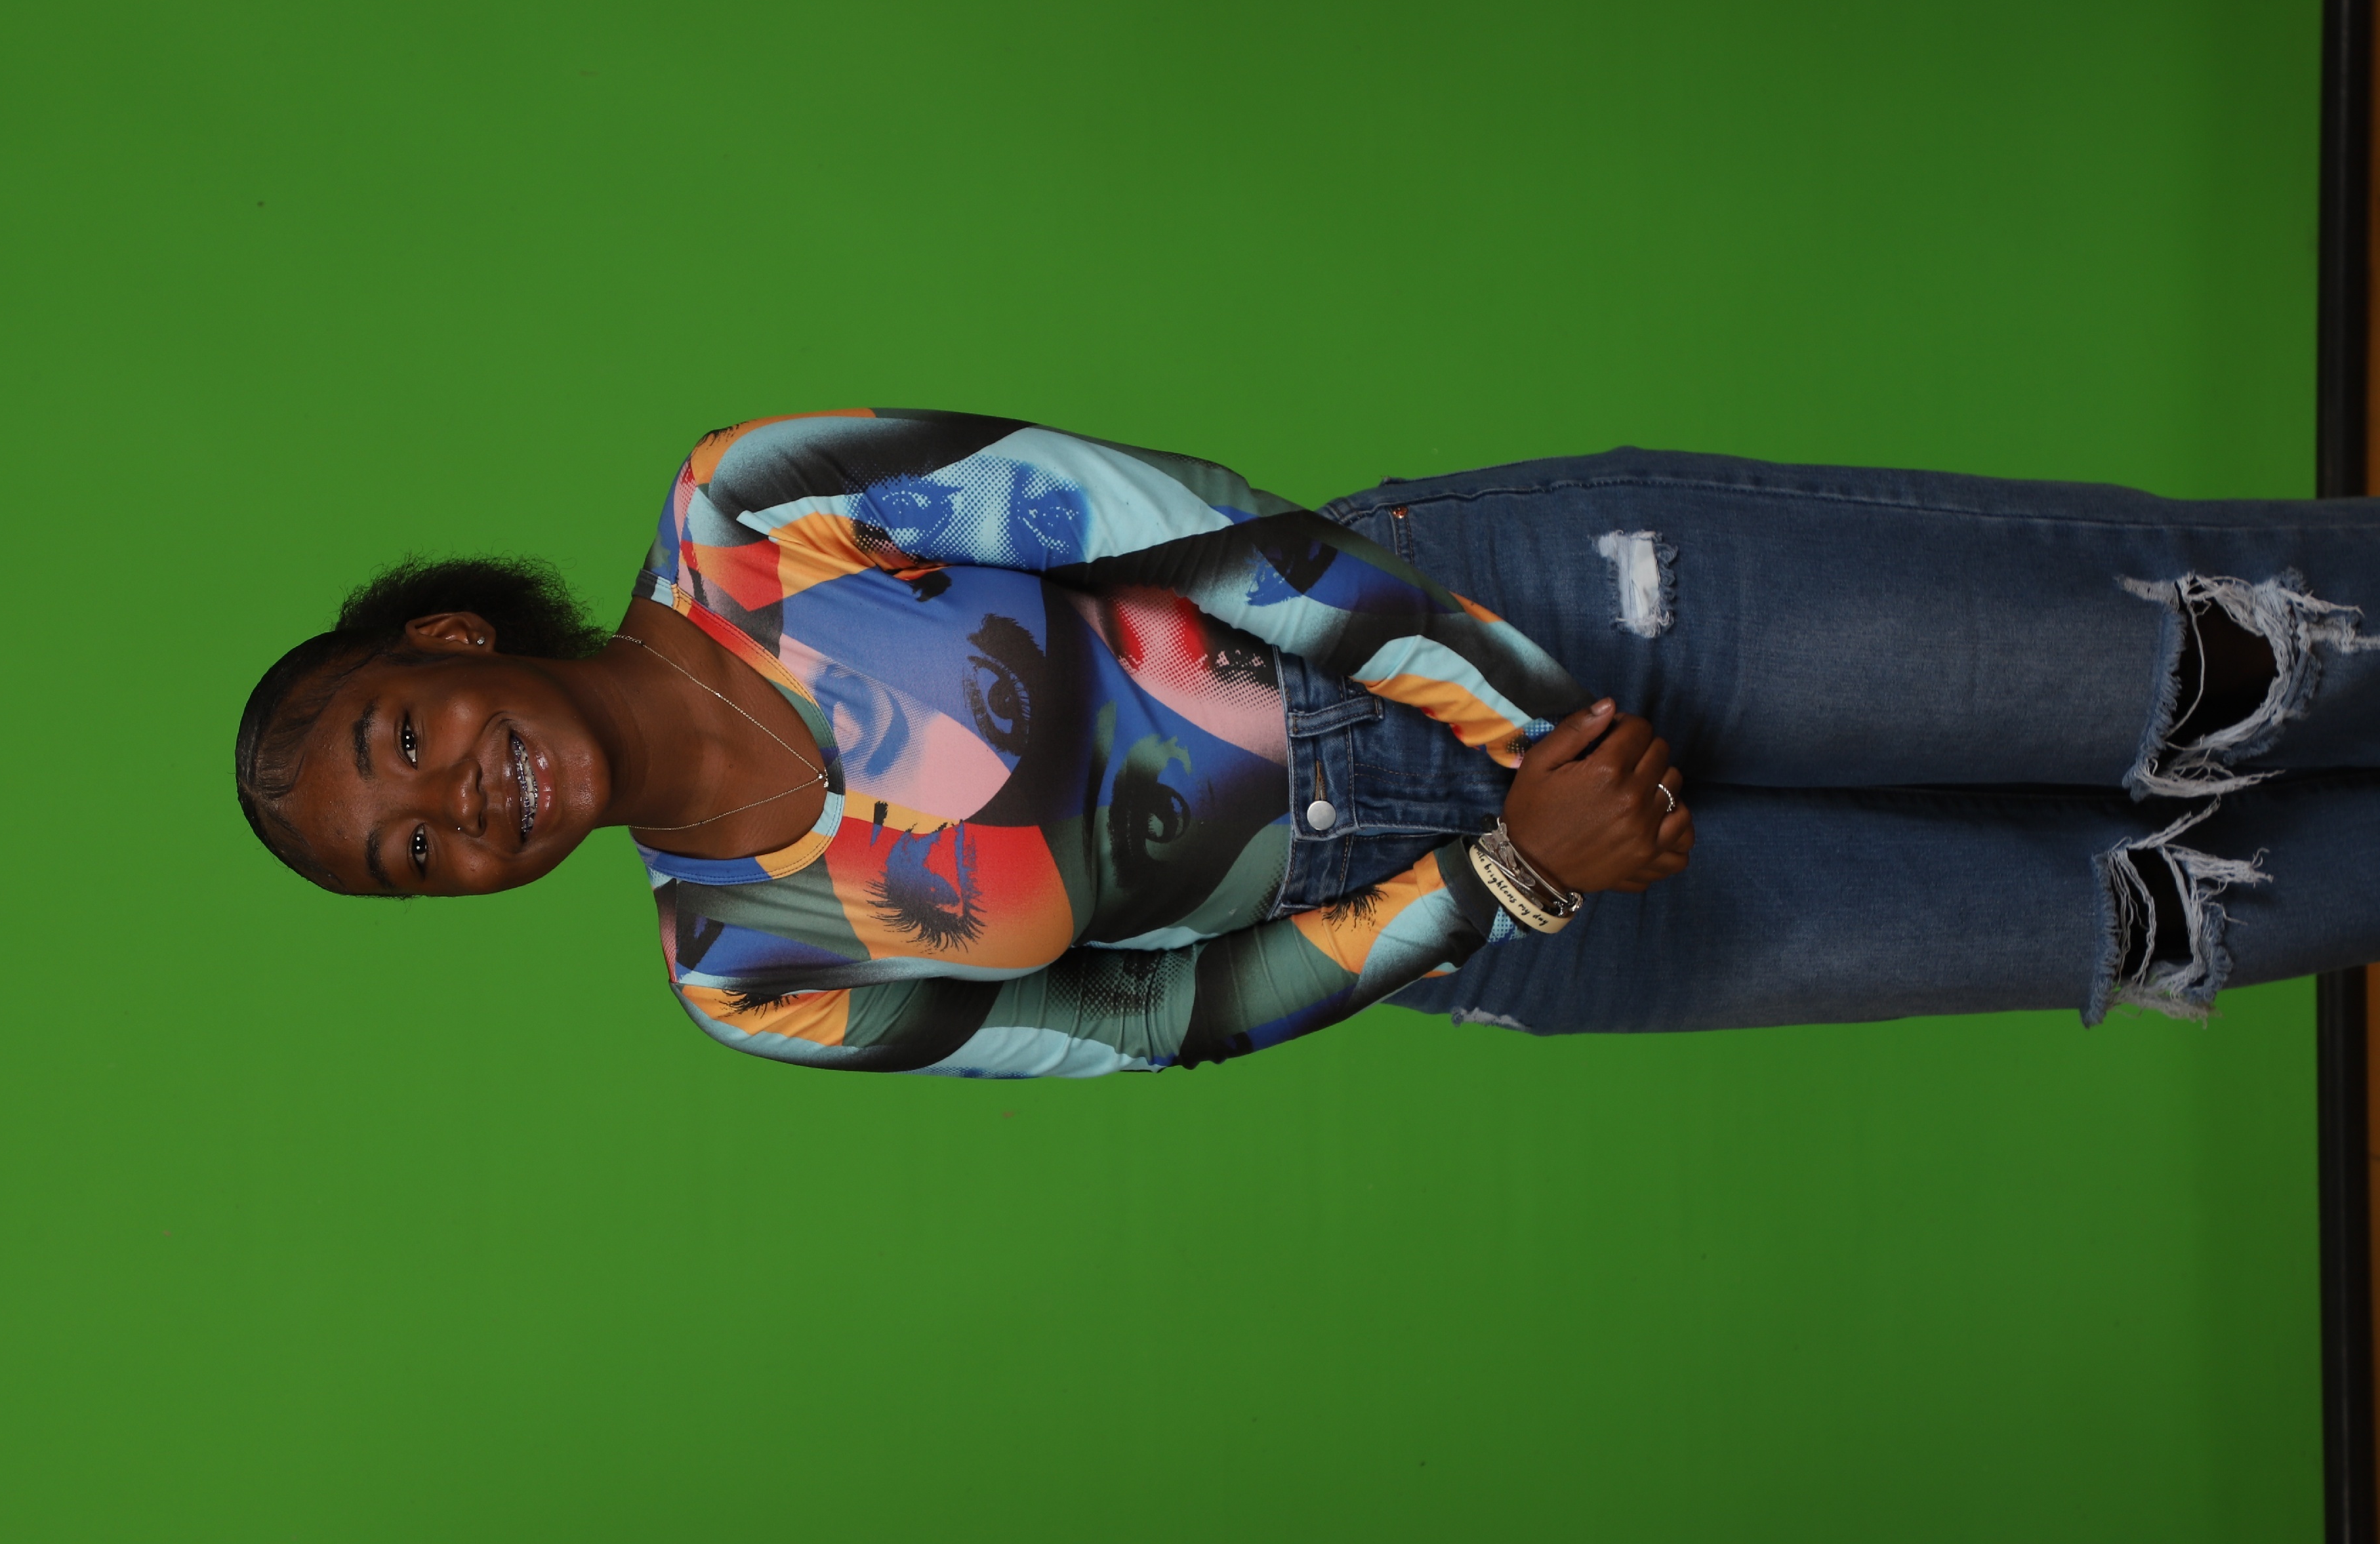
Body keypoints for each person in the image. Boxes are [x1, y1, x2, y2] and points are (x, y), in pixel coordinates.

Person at [233, 409, 2380, 1076]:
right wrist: (1512, 876)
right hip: (1507, 917)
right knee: (2171, 914)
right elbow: (1152, 1020)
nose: (454, 805)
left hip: (1516, 631)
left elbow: (1180, 525)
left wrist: (1527, 740)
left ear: (452, 641)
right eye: (409, 852)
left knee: (2216, 662)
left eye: (406, 739)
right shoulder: (751, 973)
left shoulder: (752, 511)